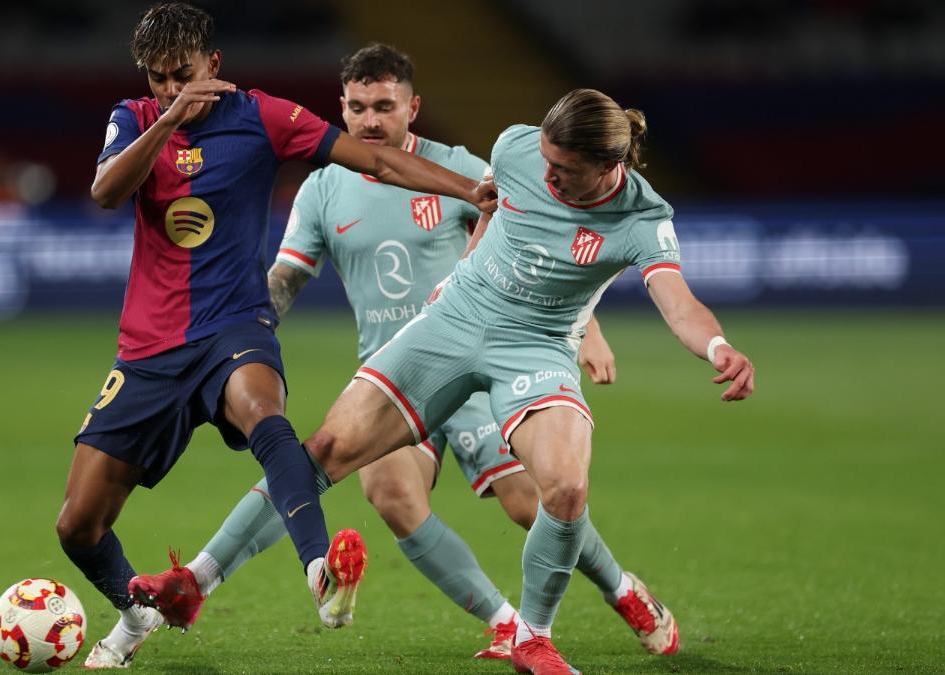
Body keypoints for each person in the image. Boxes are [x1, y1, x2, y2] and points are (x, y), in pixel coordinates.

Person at [161, 87, 756, 673]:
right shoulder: (516, 147)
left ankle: (535, 637)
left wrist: (718, 346)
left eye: (564, 169)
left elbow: (679, 304)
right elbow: (494, 208)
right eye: (545, 160)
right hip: (453, 320)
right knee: (322, 452)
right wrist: (469, 261)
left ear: (608, 166)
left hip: (537, 348)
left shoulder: (642, 219)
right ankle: (196, 581)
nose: (547, 175)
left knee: (562, 491)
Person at [55, 4, 496, 669]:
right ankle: (135, 611)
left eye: (182, 74)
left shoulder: (264, 117)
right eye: (157, 78)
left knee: (266, 413)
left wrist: (473, 189)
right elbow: (105, 191)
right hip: (148, 346)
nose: (170, 88)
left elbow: (378, 161)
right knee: (78, 524)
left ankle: (320, 570)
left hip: (235, 324)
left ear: (214, 65)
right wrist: (168, 119)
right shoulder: (134, 118)